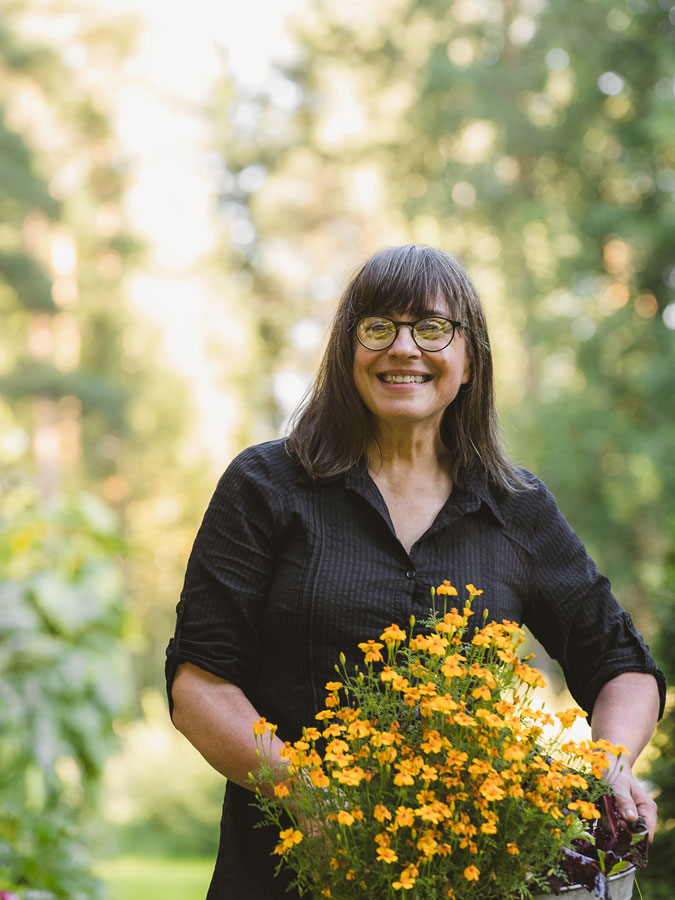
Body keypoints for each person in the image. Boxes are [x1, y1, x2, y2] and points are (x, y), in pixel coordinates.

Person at [166, 244, 665, 900]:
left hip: (468, 880)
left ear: (470, 359)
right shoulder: (265, 487)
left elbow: (621, 665)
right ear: (347, 351)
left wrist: (609, 767)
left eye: (432, 328)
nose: (403, 348)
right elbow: (198, 685)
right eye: (377, 327)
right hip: (283, 878)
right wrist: (309, 795)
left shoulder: (517, 508)